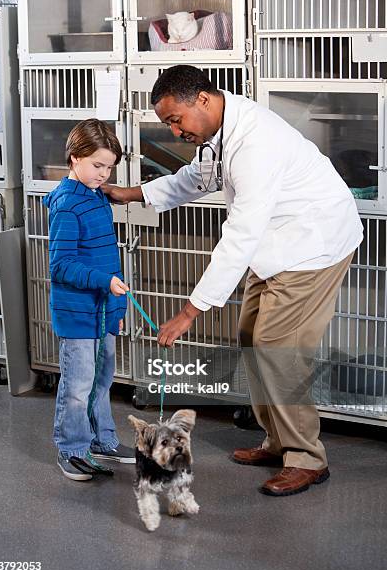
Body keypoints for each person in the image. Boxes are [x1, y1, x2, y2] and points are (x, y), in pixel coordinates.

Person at [103, 65, 363, 497]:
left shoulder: (254, 144)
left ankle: (306, 458)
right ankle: (277, 440)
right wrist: (136, 193)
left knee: (278, 348)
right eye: (167, 123)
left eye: (175, 120)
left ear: (202, 100)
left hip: (313, 244)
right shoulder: (219, 131)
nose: (174, 129)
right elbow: (198, 178)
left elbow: (240, 235)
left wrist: (190, 311)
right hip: (279, 244)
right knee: (251, 337)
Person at [43, 118, 135, 481]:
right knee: (78, 386)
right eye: (97, 165)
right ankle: (72, 449)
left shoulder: (96, 196)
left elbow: (105, 258)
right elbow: (61, 265)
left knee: (102, 381)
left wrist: (116, 308)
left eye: (109, 167)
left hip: (102, 311)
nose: (103, 174)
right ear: (74, 158)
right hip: (79, 315)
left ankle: (103, 440)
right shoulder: (67, 204)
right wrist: (104, 283)